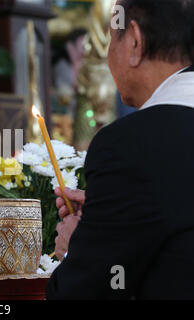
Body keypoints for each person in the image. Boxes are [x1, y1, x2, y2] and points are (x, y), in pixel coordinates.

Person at [46, 0, 194, 299]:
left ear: (135, 42)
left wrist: (77, 250)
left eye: (111, 38)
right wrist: (110, 213)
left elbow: (86, 291)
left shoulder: (130, 146)